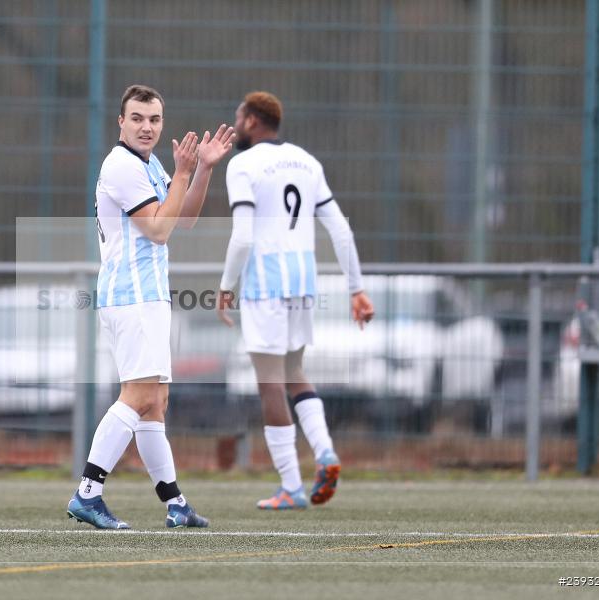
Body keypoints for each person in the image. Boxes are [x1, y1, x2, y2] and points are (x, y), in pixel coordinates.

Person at [67, 84, 235, 529]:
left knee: (155, 402)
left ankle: (175, 503)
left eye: (155, 119)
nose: (147, 127)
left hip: (150, 296)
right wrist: (182, 174)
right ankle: (88, 492)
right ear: (120, 122)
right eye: (138, 118)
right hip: (132, 296)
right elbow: (158, 230)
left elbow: (185, 219)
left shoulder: (149, 164)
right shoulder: (121, 165)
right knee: (139, 395)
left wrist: (201, 170)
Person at [216, 91, 374, 510]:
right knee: (294, 373)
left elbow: (243, 237)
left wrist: (227, 285)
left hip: (265, 284)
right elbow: (341, 230)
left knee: (270, 382)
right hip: (303, 282)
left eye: (238, 118)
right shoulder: (307, 161)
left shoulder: (242, 165)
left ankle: (291, 486)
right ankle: (325, 452)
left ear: (252, 120)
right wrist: (356, 289)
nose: (236, 125)